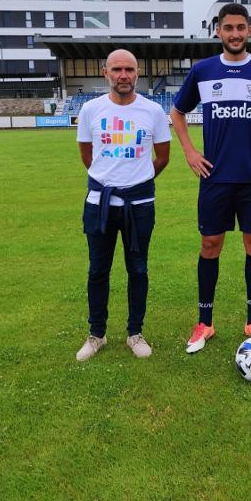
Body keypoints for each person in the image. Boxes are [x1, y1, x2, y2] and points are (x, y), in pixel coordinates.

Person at [171, 3, 251, 353]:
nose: (234, 34)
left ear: (249, 31)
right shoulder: (202, 71)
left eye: (241, 27)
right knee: (209, 246)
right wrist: (189, 151)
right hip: (213, 177)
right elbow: (177, 111)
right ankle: (205, 324)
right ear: (218, 31)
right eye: (228, 27)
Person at [75, 49, 171, 361]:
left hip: (139, 204)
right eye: (117, 69)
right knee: (97, 270)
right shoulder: (91, 110)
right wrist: (110, 182)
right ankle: (97, 334)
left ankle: (135, 333)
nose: (123, 75)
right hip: (99, 203)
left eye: (129, 69)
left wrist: (138, 180)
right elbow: (87, 156)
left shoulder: (153, 111)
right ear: (106, 73)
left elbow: (163, 156)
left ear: (137, 73)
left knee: (138, 269)